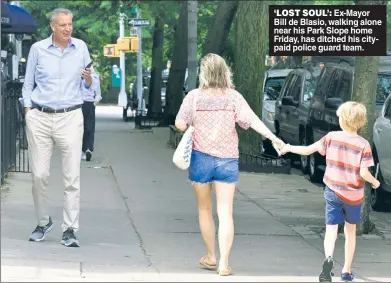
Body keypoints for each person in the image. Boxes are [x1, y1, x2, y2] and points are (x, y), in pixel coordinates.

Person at [175, 53, 284, 276]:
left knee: (204, 209)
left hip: (200, 159)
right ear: (225, 71)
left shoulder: (194, 97)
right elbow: (252, 121)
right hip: (227, 160)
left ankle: (211, 256)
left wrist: (190, 128)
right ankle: (224, 263)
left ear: (203, 73)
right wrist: (273, 138)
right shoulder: (233, 97)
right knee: (226, 212)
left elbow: (180, 123)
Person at [22, 8, 98, 248]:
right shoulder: (38, 49)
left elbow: (91, 88)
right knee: (39, 175)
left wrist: (88, 79)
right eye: (63, 25)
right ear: (52, 26)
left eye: (70, 24)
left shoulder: (81, 48)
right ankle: (43, 222)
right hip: (40, 117)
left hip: (70, 116)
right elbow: (28, 84)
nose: (68, 29)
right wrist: (28, 111)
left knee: (71, 177)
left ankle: (70, 229)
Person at [280, 101, 380, 282]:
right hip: (353, 196)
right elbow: (364, 173)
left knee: (331, 230)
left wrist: (289, 147)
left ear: (343, 120)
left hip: (333, 191)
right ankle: (347, 271)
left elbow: (309, 149)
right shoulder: (364, 145)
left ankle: (327, 263)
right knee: (350, 232)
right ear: (360, 122)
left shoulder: (331, 137)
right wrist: (375, 182)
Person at [81, 74, 102, 161]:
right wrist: (94, 104)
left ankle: (80, 151)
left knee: (78, 128)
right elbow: (98, 94)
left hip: (78, 105)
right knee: (89, 128)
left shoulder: (76, 77)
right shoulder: (94, 78)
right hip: (89, 104)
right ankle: (88, 149)